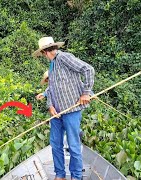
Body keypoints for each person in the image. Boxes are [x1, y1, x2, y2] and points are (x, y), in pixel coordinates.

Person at [32, 37, 95, 180]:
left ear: (44, 52)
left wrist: (86, 93)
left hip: (71, 111)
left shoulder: (64, 57)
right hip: (57, 114)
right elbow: (52, 89)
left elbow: (88, 69)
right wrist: (50, 106)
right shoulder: (52, 65)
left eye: (42, 54)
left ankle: (76, 176)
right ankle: (60, 175)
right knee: (55, 145)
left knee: (73, 146)